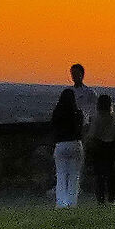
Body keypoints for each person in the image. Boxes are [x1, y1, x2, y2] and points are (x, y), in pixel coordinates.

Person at [50, 64, 92, 208]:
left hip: (61, 144)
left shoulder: (58, 113)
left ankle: (61, 203)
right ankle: (71, 203)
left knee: (61, 175)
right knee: (74, 175)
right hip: (75, 143)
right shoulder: (78, 114)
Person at [86, 93, 115, 204]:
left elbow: (91, 136)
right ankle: (113, 199)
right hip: (114, 149)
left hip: (100, 150)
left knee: (100, 177)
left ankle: (101, 200)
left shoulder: (97, 119)